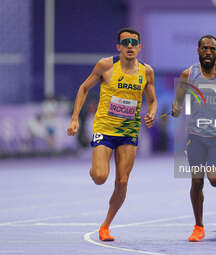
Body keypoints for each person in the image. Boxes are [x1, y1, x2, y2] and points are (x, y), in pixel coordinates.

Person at [67, 28, 157, 241]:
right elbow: (83, 88)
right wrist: (74, 119)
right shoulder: (105, 65)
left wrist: (151, 114)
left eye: (134, 42)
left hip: (129, 131)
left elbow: (152, 100)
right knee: (100, 177)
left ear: (139, 47)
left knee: (122, 182)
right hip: (105, 128)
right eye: (125, 42)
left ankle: (106, 226)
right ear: (118, 46)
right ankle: (95, 167)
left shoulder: (147, 71)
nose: (130, 46)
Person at [171, 35, 216, 242]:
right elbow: (178, 102)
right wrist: (176, 109)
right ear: (198, 51)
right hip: (195, 137)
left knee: (215, 181)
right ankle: (198, 226)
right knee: (196, 181)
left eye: (212, 49)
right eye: (204, 48)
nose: (208, 52)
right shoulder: (188, 74)